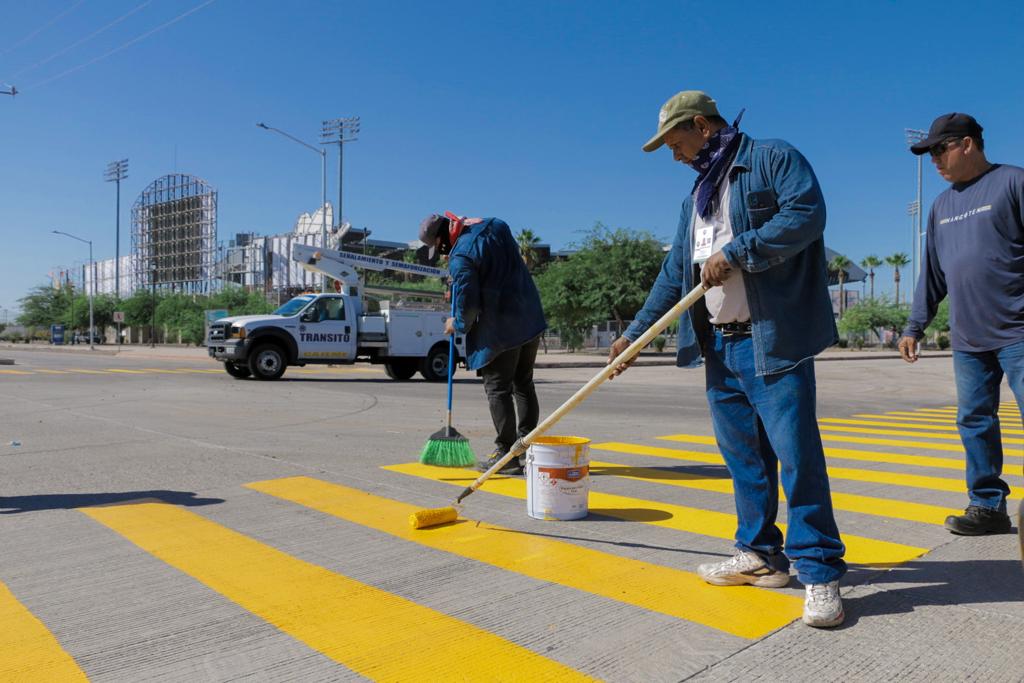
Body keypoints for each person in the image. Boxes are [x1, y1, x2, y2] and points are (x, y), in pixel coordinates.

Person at [608, 90, 846, 628]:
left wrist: (736, 252)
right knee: (744, 461)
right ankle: (761, 558)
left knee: (797, 457)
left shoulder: (772, 158)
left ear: (702, 126)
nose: (674, 156)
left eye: (676, 143)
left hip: (773, 340)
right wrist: (635, 336)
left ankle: (820, 572)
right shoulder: (695, 197)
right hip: (719, 345)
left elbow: (807, 214)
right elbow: (676, 277)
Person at [898, 113, 1024, 536]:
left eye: (940, 149)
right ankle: (988, 506)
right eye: (929, 151)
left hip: (1019, 331)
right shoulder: (942, 205)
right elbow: (933, 272)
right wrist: (915, 325)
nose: (934, 159)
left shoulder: (1013, 183)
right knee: (974, 420)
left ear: (967, 144)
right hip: (969, 338)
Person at [419, 212, 547, 474]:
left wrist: (456, 322)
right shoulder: (495, 225)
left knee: (498, 389)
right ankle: (529, 448)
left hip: (502, 329)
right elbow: (493, 270)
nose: (442, 254)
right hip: (529, 316)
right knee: (523, 383)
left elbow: (469, 308)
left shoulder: (461, 257)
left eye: (438, 248)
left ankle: (507, 454)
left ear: (442, 239)